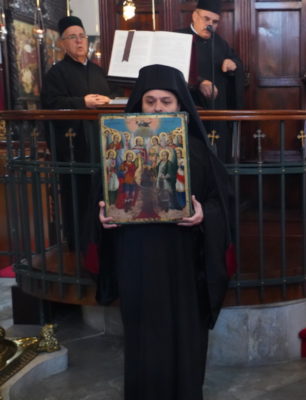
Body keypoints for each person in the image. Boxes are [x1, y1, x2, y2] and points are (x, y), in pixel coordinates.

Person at [96, 64, 232, 400]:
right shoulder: (118, 149)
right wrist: (104, 216)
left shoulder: (198, 151)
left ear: (180, 105)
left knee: (184, 334)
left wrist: (204, 214)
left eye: (166, 101)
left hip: (183, 259)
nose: (157, 108)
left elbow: (221, 203)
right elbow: (103, 198)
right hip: (136, 256)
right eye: (150, 101)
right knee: (142, 338)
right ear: (139, 105)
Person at [41, 16, 114, 250]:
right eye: (72, 37)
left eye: (82, 36)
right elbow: (51, 104)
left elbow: (109, 98)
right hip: (74, 147)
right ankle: (78, 245)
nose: (79, 41)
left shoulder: (98, 71)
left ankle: (103, 242)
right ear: (62, 43)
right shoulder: (56, 74)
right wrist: (82, 102)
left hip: (101, 145)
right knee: (78, 196)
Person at [177, 0, 245, 161]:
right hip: (190, 108)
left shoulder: (220, 43)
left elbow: (236, 61)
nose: (210, 25)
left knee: (217, 155)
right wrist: (199, 82)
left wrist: (233, 64)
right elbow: (173, 70)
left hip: (217, 111)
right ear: (195, 16)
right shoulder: (178, 38)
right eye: (206, 19)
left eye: (215, 22)